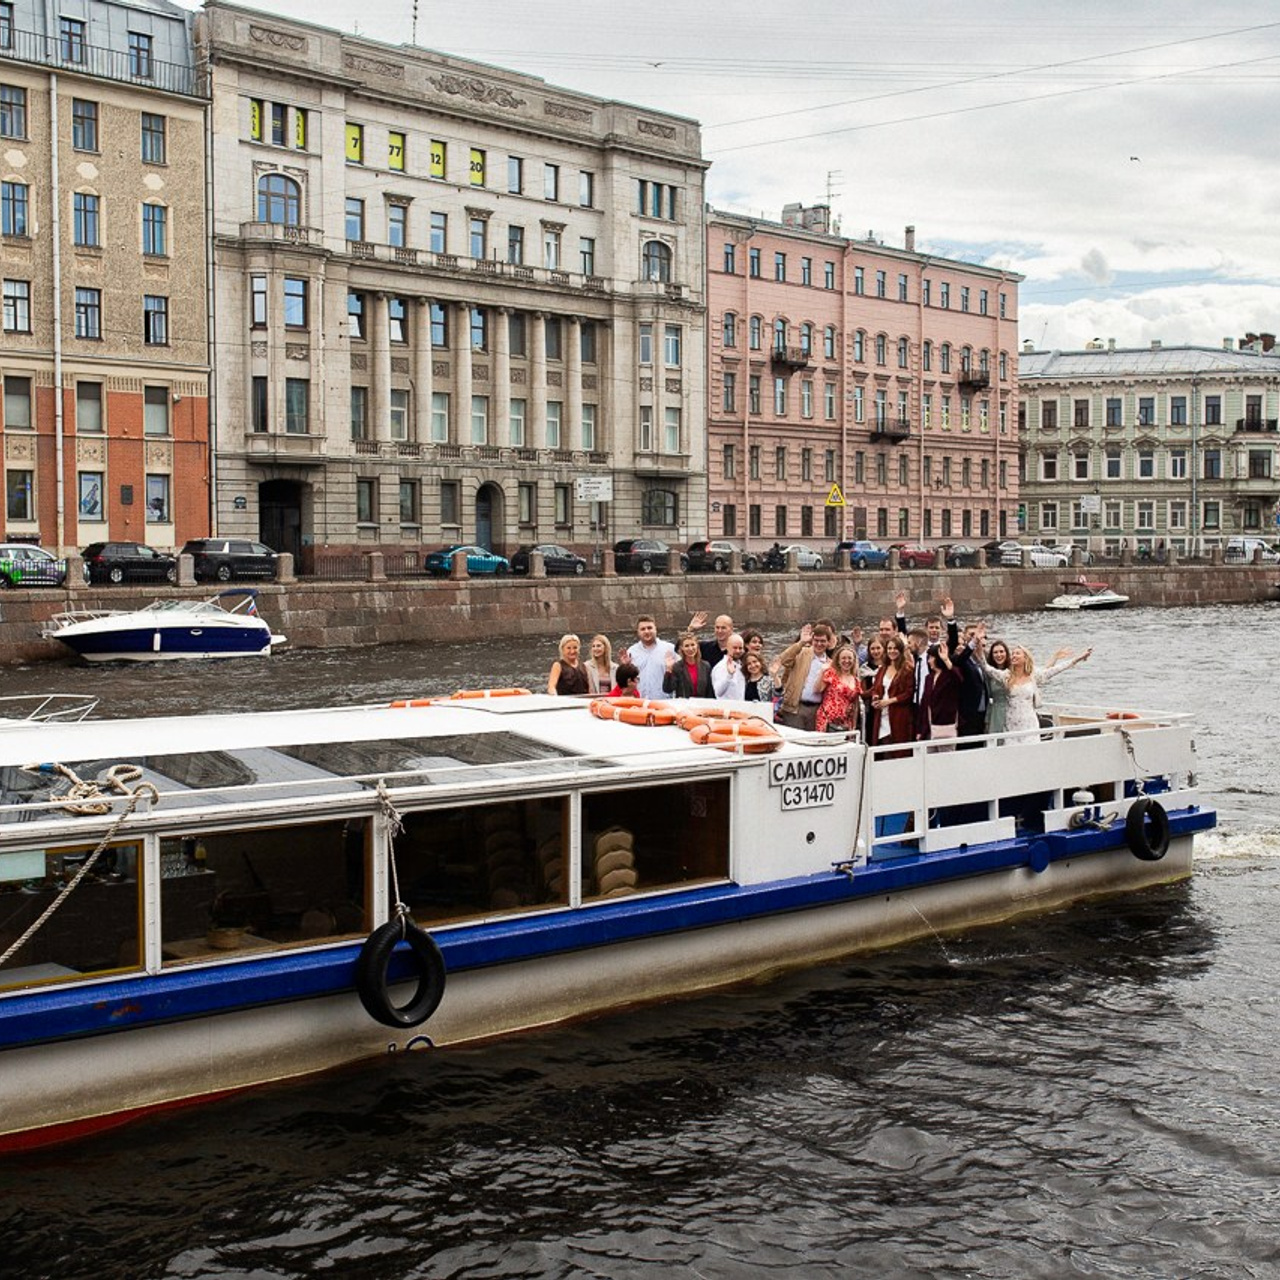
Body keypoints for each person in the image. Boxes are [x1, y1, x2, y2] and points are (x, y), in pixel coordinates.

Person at [976, 626, 1092, 740]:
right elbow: (985, 666)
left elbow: (1056, 669)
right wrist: (979, 643)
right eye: (1012, 654)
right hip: (1011, 724)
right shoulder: (1006, 676)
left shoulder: (1033, 675)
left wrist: (1078, 658)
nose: (1013, 656)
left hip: (1029, 723)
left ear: (1025, 657)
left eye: (1017, 653)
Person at [775, 622, 835, 730]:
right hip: (796, 707)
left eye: (823, 641)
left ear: (828, 643)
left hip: (817, 709)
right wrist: (800, 643)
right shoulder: (801, 653)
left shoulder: (830, 664)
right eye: (816, 640)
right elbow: (784, 660)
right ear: (812, 640)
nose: (819, 644)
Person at [868, 633, 915, 758]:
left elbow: (909, 693)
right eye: (889, 648)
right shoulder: (883, 668)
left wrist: (889, 701)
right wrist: (875, 698)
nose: (892, 651)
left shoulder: (907, 669)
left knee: (896, 750)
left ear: (900, 650)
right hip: (881, 715)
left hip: (898, 714)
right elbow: (876, 689)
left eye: (895, 648)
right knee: (882, 747)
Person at [618, 615, 677, 701]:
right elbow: (627, 681)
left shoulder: (669, 649)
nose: (646, 631)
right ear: (638, 632)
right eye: (643, 629)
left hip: (664, 701)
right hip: (640, 701)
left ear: (655, 629)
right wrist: (625, 666)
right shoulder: (632, 651)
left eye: (649, 628)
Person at [919, 644, 962, 750]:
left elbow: (958, 679)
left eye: (931, 658)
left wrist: (946, 660)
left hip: (946, 727)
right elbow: (925, 703)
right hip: (929, 727)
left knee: (945, 761)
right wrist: (920, 730)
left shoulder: (949, 676)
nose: (929, 661)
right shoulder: (929, 678)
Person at [816, 643, 863, 733]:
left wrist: (853, 725)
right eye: (843, 658)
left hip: (845, 723)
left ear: (854, 661)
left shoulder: (856, 680)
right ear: (838, 660)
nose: (847, 661)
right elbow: (818, 689)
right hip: (827, 720)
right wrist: (822, 671)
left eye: (849, 658)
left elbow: (855, 706)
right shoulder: (831, 674)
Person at [663, 632, 714, 698]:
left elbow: (710, 691)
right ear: (682, 648)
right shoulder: (677, 667)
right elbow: (668, 689)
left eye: (692, 645)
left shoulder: (706, 666)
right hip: (684, 705)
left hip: (702, 705)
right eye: (686, 646)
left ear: (697, 646)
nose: (690, 649)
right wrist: (668, 670)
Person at [983, 638, 1012, 736]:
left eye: (1001, 651)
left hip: (1012, 709)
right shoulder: (989, 673)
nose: (999, 655)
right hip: (996, 712)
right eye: (995, 652)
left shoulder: (1013, 670)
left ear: (1006, 653)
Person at [710, 633, 747, 699]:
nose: (738, 651)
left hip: (740, 706)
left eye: (740, 648)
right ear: (727, 647)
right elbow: (718, 692)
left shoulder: (741, 665)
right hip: (726, 707)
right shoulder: (721, 667)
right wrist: (729, 675)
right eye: (735, 648)